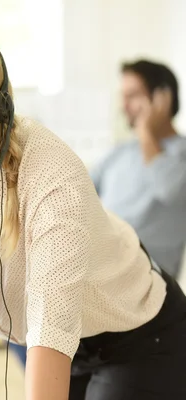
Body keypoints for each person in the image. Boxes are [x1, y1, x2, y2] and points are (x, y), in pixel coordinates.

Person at [0, 18, 186, 399]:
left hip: (136, 337)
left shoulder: (51, 176)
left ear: (1, 106)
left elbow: (51, 324)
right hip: (32, 335)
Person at [91, 60, 186, 278]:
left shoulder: (180, 153)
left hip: (148, 283)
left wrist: (146, 132)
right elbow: (79, 187)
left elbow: (170, 190)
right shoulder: (122, 152)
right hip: (101, 267)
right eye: (123, 97)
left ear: (162, 98)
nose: (124, 106)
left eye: (132, 96)